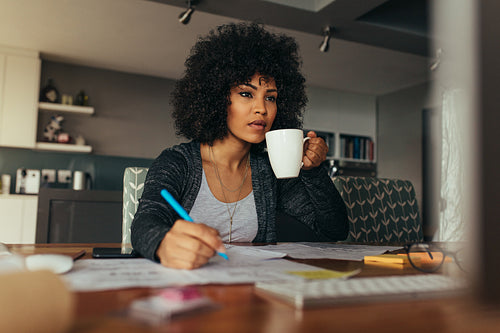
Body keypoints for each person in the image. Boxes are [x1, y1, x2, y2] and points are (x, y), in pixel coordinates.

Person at [131, 22, 348, 269]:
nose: (262, 108)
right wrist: (162, 244)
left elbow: (334, 230)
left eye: (270, 97)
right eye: (246, 94)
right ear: (216, 98)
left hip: (250, 292)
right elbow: (144, 223)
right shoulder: (178, 163)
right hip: (188, 288)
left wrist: (313, 170)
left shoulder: (270, 171)